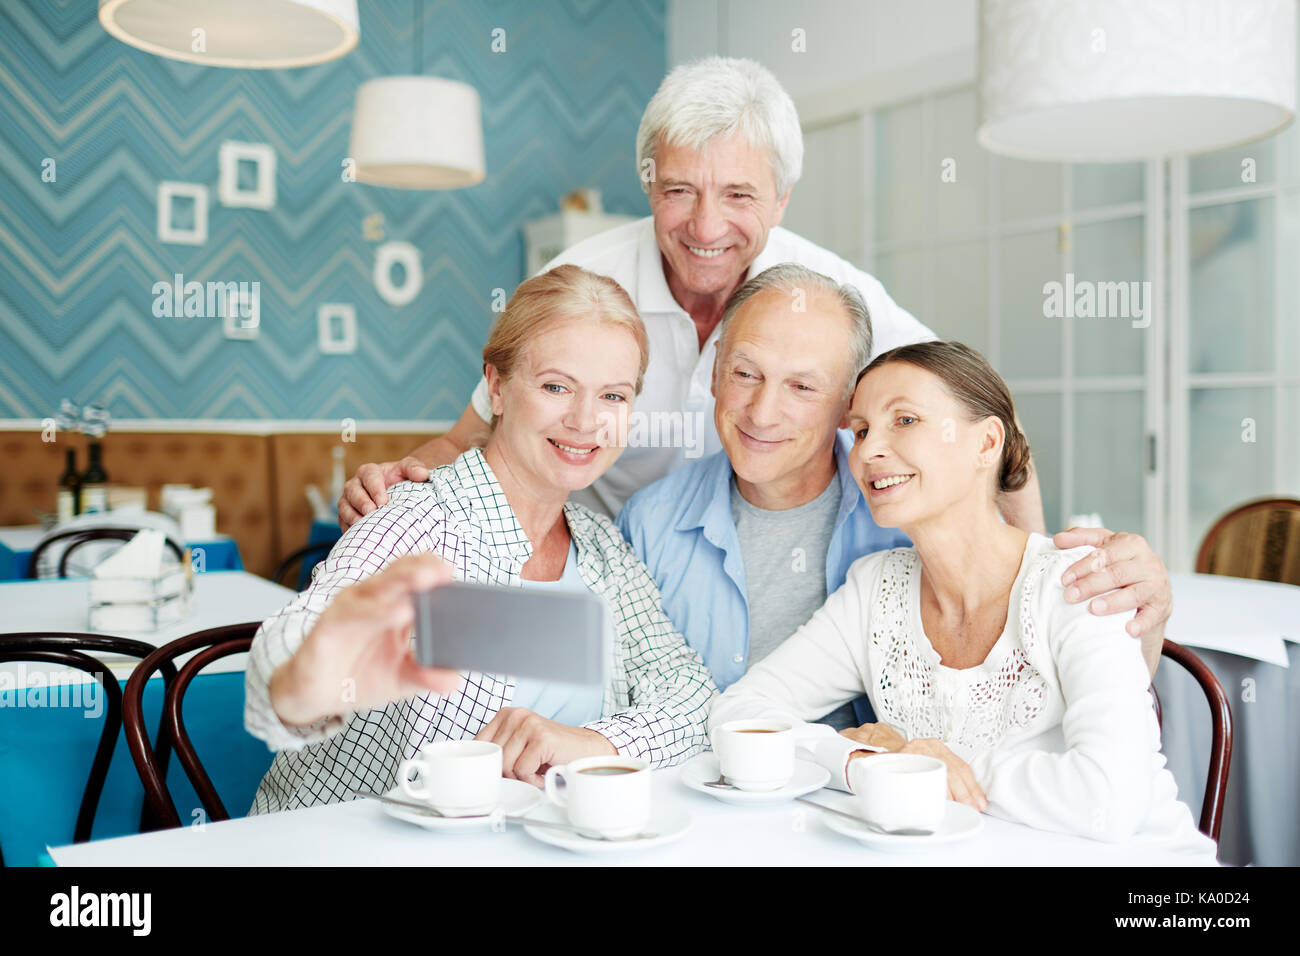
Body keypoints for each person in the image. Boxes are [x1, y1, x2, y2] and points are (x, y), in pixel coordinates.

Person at [337, 57, 1053, 530]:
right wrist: (396, 480)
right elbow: (471, 441)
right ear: (648, 183)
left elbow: (990, 426)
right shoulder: (584, 285)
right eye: (679, 190)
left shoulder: (833, 300)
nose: (706, 227)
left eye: (739, 194)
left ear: (782, 197)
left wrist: (1034, 577)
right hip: (610, 566)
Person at [708, 341, 1214, 856]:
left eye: (904, 420)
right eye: (860, 430)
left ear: (986, 442)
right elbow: (738, 713)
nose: (867, 450)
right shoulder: (875, 589)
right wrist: (858, 759)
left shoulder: (1080, 584)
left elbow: (1110, 798)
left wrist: (915, 765)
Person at [618, 265, 1171, 733]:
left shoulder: (908, 510)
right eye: (745, 374)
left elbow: (1102, 706)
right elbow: (630, 701)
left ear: (844, 403)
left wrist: (1137, 608)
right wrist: (878, 760)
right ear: (715, 374)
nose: (763, 412)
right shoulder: (648, 525)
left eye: (803, 386)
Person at [245, 265, 716, 814]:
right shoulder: (420, 518)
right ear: (496, 386)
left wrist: (592, 744)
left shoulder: (602, 548)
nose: (586, 421)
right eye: (556, 386)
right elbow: (300, 637)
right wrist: (309, 672)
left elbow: (691, 694)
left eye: (612, 396)